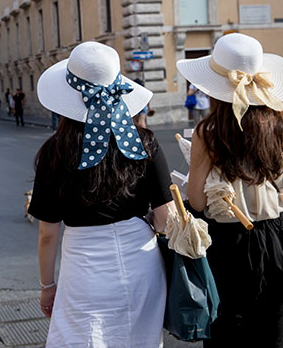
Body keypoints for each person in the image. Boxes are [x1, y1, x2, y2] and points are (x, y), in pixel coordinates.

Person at [29, 41, 174, 347]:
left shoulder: (55, 152)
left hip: (83, 269)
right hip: (142, 264)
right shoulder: (144, 142)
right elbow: (165, 220)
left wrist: (47, 285)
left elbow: (47, 234)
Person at [179, 33, 283, 347]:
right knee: (274, 338)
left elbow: (196, 200)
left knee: (226, 337)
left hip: (229, 245)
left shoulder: (208, 131)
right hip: (280, 240)